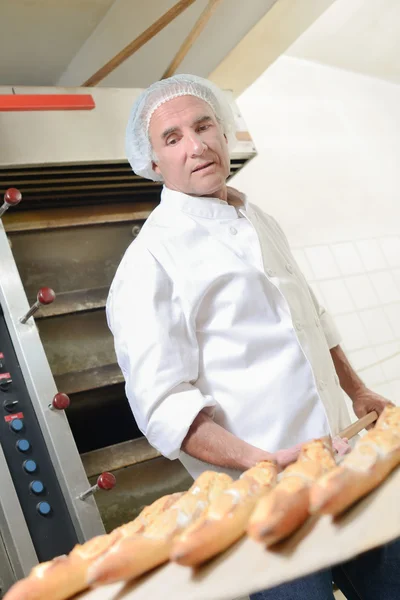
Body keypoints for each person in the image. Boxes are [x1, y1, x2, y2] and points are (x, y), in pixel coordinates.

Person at [106, 74, 399, 599]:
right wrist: (260, 461)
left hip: (347, 468)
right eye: (172, 138)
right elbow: (165, 408)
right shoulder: (149, 261)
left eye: (204, 126)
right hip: (265, 507)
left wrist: (358, 391)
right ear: (152, 162)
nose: (196, 146)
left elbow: (313, 316)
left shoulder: (256, 217)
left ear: (225, 132)